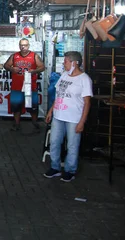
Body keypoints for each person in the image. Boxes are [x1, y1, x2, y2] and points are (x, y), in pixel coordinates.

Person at [43, 52, 92, 182]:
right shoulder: (64, 75)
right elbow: (59, 95)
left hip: (74, 118)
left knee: (72, 145)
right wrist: (51, 111)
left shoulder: (84, 79)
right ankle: (55, 167)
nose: (63, 63)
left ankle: (70, 170)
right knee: (54, 142)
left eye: (65, 61)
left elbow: (87, 102)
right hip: (58, 115)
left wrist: (82, 121)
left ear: (74, 63)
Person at [3, 38, 45, 132]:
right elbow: (6, 65)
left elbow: (42, 67)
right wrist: (12, 69)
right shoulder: (14, 56)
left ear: (28, 46)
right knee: (15, 105)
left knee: (33, 106)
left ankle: (34, 123)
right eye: (21, 45)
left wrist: (34, 71)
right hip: (16, 87)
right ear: (19, 46)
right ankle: (17, 124)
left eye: (25, 45)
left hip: (30, 87)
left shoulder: (34, 56)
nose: (23, 47)